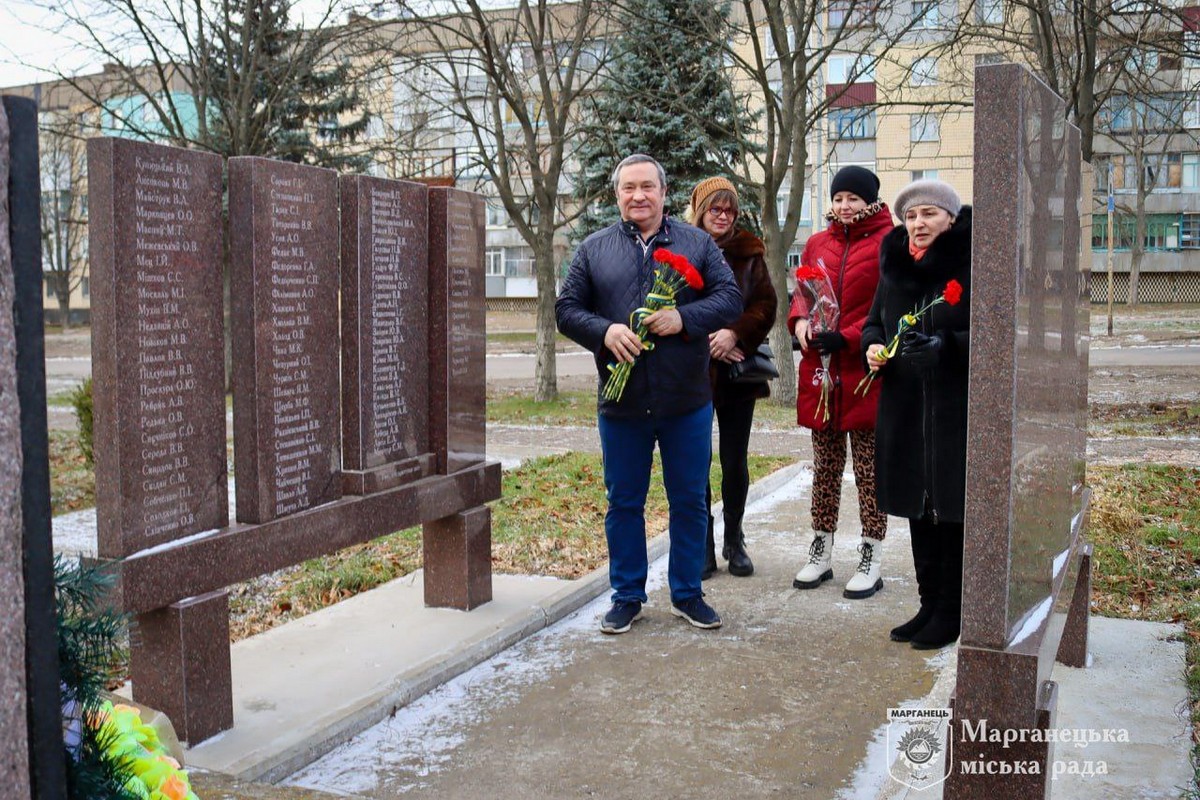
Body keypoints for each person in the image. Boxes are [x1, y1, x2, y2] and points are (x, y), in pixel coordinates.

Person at [556, 154, 742, 634]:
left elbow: (729, 298)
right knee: (624, 502)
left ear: (663, 191)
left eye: (647, 187)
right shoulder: (595, 248)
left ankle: (687, 593)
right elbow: (566, 309)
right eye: (628, 188)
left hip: (686, 400)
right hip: (621, 404)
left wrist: (685, 319)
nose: (638, 196)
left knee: (689, 501)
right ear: (617, 195)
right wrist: (605, 332)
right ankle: (627, 595)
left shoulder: (697, 242)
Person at [861, 179, 971, 650]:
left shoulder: (971, 263)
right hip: (904, 407)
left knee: (949, 508)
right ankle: (928, 604)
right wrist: (872, 347)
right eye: (911, 216)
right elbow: (874, 322)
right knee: (917, 507)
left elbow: (997, 331)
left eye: (929, 214)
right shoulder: (894, 267)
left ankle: (952, 611)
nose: (918, 223)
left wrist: (946, 346)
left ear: (949, 218)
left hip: (952, 410)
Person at [788, 166, 892, 599]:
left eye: (853, 198)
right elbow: (803, 294)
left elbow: (887, 308)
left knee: (869, 471)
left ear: (869, 201)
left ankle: (871, 553)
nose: (844, 206)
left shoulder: (891, 242)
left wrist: (848, 337)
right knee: (825, 468)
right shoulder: (817, 242)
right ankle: (821, 548)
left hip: (865, 372)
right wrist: (799, 326)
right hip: (824, 372)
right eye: (838, 198)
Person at [688, 177, 777, 580]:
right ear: (700, 210)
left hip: (738, 373)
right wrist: (706, 339)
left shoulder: (750, 251)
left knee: (734, 460)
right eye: (715, 209)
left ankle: (734, 538)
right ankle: (703, 544)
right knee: (695, 461)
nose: (722, 217)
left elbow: (766, 304)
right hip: (692, 372)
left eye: (729, 210)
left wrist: (734, 333)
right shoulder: (682, 247)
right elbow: (669, 303)